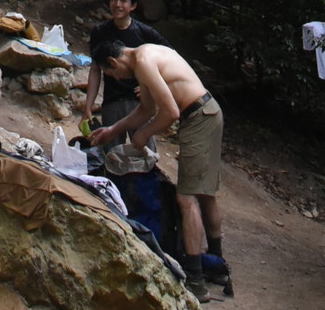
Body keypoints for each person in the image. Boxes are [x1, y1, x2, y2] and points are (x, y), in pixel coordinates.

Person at [88, 36, 227, 302]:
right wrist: (114, 130)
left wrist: (144, 135)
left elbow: (171, 112)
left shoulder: (143, 61)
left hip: (199, 117)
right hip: (207, 113)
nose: (116, 78)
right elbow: (147, 108)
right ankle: (217, 267)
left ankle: (197, 281)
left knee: (186, 198)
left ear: (114, 61)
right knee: (205, 193)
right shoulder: (145, 56)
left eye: (111, 73)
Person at [82, 0, 168, 132]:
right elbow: (95, 69)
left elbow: (170, 58)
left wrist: (151, 86)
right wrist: (88, 106)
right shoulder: (100, 32)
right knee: (110, 149)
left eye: (123, 0)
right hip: (112, 100)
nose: (117, 4)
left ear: (133, 6)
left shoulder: (146, 33)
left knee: (143, 149)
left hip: (140, 102)